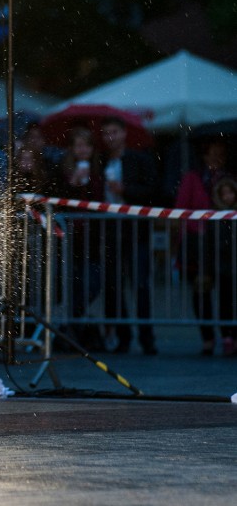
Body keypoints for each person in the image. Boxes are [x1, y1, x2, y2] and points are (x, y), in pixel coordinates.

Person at [100, 116, 159, 355]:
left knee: (140, 285)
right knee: (113, 285)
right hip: (110, 230)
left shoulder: (138, 159)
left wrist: (127, 190)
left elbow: (154, 191)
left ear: (124, 133)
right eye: (106, 133)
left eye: (114, 131)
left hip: (135, 231)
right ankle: (123, 336)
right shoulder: (100, 161)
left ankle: (147, 338)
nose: (110, 137)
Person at [174, 139, 231, 355]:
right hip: (198, 244)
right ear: (204, 156)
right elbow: (181, 209)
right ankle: (207, 337)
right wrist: (200, 227)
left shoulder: (229, 179)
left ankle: (229, 336)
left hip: (223, 245)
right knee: (201, 291)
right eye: (213, 153)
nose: (217, 158)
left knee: (227, 291)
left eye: (221, 154)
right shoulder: (192, 178)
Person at [58, 126, 105, 351]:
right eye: (78, 145)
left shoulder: (99, 171)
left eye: (86, 145)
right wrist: (72, 184)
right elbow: (60, 199)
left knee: (92, 283)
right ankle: (71, 329)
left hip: (94, 238)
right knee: (72, 283)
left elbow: (100, 201)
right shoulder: (65, 170)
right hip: (70, 239)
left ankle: (75, 323)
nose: (83, 150)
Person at [211, 176, 236, 356]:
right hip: (224, 266)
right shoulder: (216, 216)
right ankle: (227, 337)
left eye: (231, 192)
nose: (228, 197)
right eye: (224, 193)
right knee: (225, 302)